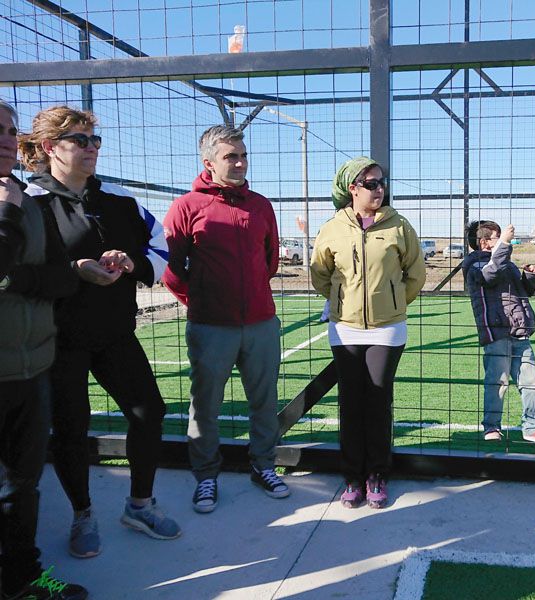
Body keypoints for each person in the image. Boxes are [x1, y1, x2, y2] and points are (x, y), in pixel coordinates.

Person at [19, 106, 180, 559]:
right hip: (57, 338)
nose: (92, 149)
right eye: (80, 140)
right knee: (71, 428)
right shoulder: (29, 202)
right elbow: (20, 269)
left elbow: (160, 245)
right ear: (51, 147)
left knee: (149, 410)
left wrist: (134, 264)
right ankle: (82, 513)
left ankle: (140, 505)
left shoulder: (120, 199)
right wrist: (74, 271)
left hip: (114, 332)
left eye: (95, 140)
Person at [162, 125, 288, 513]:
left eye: (243, 155)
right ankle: (206, 477)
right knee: (206, 406)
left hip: (261, 324)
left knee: (264, 403)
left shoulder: (261, 205)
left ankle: (263, 466)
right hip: (210, 327)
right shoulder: (187, 207)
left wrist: (251, 300)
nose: (239, 162)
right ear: (209, 163)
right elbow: (170, 268)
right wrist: (201, 303)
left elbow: (270, 261)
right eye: (230, 156)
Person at [0, 100, 86, 600]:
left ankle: (24, 579)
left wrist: (13, 279)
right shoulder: (17, 205)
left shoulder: (29, 203)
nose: (8, 138)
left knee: (22, 486)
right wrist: (7, 212)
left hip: (31, 370)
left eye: (11, 129)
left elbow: (62, 279)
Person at [310, 156, 425, 509]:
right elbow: (320, 274)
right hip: (344, 329)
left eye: (381, 182)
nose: (380, 189)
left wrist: (391, 304)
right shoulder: (332, 227)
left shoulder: (399, 225)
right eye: (371, 184)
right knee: (351, 401)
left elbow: (415, 273)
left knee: (377, 401)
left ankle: (377, 473)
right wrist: (342, 302)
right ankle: (352, 477)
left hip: (387, 330)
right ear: (352, 189)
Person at [463, 220, 535, 446]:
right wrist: (504, 244)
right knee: (497, 383)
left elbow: (524, 292)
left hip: (520, 333)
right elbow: (489, 276)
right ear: (484, 242)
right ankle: (492, 427)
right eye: (498, 237)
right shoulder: (474, 264)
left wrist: (530, 277)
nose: (505, 239)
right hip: (496, 334)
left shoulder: (506, 263)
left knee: (531, 382)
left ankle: (532, 427)